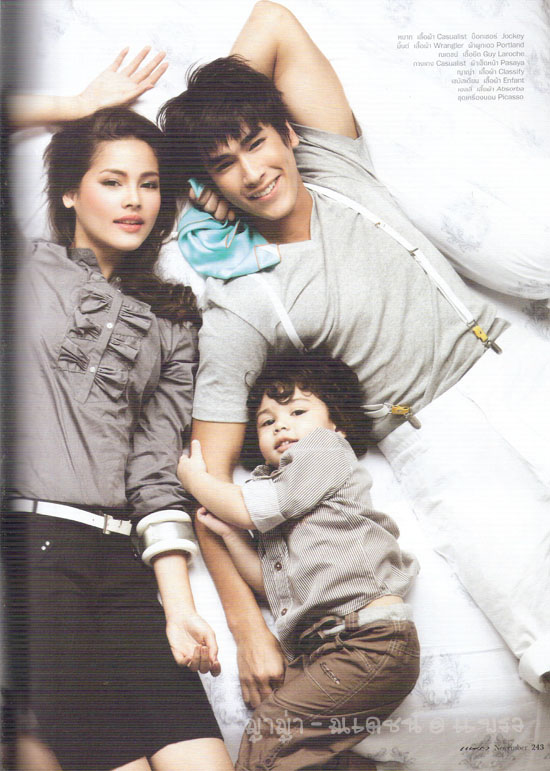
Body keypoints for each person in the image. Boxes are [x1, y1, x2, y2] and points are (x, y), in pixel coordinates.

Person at [158, 0, 550, 703]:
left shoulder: (334, 163)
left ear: (288, 132)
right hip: (432, 434)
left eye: (256, 142)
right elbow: (204, 478)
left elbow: (274, 21)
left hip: (513, 363)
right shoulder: (240, 299)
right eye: (224, 166)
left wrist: (208, 131)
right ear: (211, 185)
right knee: (541, 629)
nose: (251, 172)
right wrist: (247, 625)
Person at [3, 99, 234, 770]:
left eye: (150, 183)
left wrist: (179, 607)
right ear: (69, 193)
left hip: (126, 567)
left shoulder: (175, 321)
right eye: (112, 180)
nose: (135, 199)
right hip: (33, 561)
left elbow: (155, 473)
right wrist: (73, 108)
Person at [178, 353, 420, 771]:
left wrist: (196, 481)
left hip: (371, 639)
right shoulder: (276, 491)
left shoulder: (325, 451)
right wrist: (231, 537)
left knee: (271, 728)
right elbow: (273, 586)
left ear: (337, 424)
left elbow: (250, 508)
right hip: (328, 648)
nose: (280, 425)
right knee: (292, 742)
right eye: (266, 421)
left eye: (297, 412)